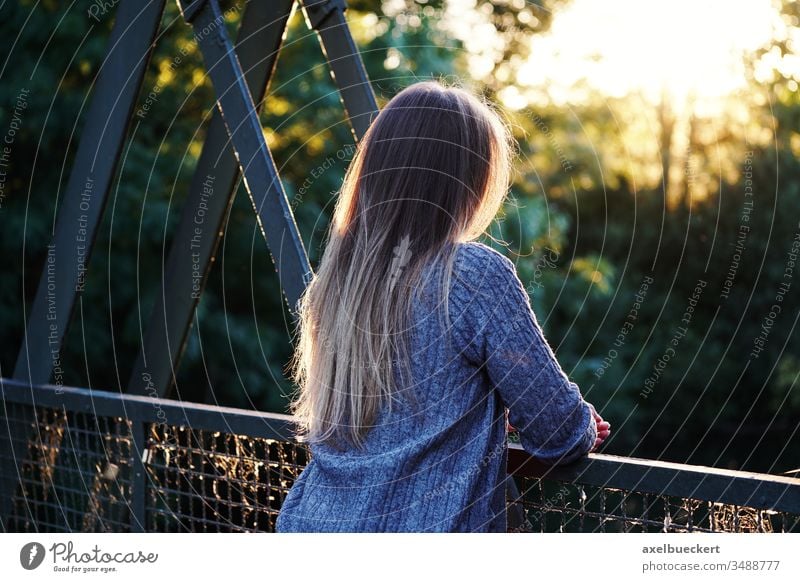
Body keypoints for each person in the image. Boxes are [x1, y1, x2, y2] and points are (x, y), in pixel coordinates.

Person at [275, 80, 610, 533]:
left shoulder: (335, 283)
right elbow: (557, 431)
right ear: (465, 182)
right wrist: (579, 423)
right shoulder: (471, 276)